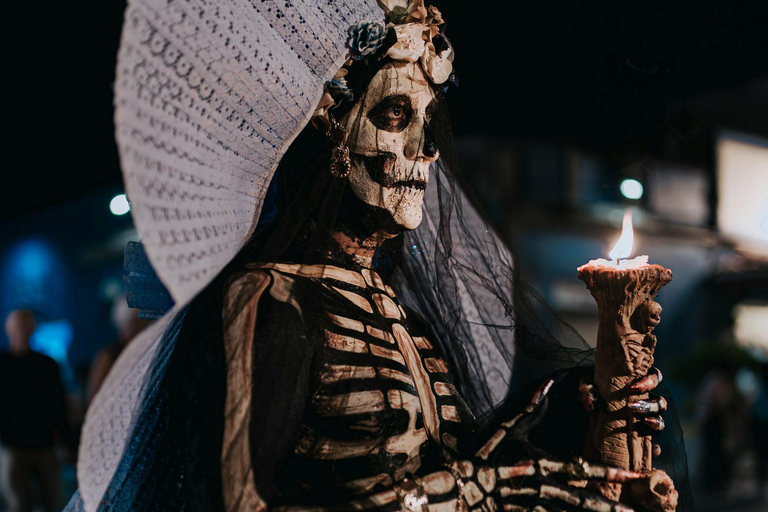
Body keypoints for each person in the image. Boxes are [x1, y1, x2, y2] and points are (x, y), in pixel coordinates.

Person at [67, 1, 692, 511]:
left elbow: (451, 471)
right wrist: (479, 490)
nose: (425, 149)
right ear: (333, 131)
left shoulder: (406, 314)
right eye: (395, 113)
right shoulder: (272, 298)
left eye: (426, 117)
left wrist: (598, 429)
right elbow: (239, 502)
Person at [0, 310, 68, 512]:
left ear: (33, 328)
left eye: (25, 325)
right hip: (12, 445)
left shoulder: (47, 364)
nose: (21, 330)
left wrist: (62, 439)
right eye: (17, 325)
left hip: (43, 443)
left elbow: (57, 404)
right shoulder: (2, 364)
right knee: (17, 503)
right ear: (8, 329)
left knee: (52, 501)